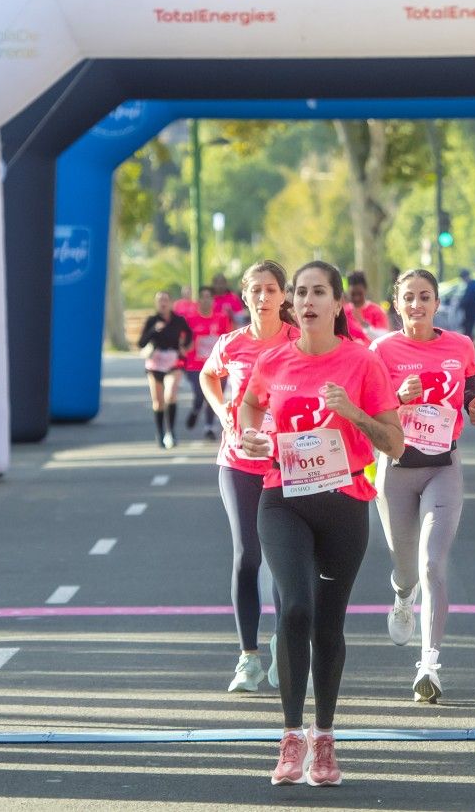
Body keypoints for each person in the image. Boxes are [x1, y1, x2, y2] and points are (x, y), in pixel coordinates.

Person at [239, 261, 404, 786]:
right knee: (295, 610)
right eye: (301, 292)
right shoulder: (273, 360)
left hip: (344, 499)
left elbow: (394, 443)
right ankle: (290, 736)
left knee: (329, 624)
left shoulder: (363, 363)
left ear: (337, 305)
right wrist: (253, 437)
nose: (307, 301)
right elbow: (248, 407)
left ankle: (325, 739)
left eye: (318, 293)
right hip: (283, 497)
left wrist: (354, 413)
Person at [369, 269, 475, 704]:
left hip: (443, 465)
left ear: (437, 303)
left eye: (425, 297)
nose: (416, 305)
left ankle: (429, 665)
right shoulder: (381, 350)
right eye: (408, 298)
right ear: (396, 305)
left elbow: (471, 385)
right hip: (396, 468)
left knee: (433, 563)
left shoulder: (460, 345)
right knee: (406, 567)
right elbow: (368, 409)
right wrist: (398, 394)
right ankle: (402, 595)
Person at [200, 261, 298, 693]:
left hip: (289, 463)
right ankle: (248, 658)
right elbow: (207, 375)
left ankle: (284, 649)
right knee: (247, 554)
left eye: (271, 289)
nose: (263, 297)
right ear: (245, 296)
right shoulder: (232, 343)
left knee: (282, 560)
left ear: (283, 296)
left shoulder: (299, 342)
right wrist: (222, 410)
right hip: (238, 461)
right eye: (255, 290)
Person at [137, 291, 193, 449]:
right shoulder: (152, 320)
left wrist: (184, 345)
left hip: (173, 361)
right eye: (159, 300)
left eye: (165, 300)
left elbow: (189, 333)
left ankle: (171, 432)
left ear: (170, 302)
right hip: (155, 363)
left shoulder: (178, 320)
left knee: (170, 396)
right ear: (156, 303)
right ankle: (160, 432)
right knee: (158, 401)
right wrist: (154, 330)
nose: (162, 303)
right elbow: (141, 343)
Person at [183, 286, 233, 439]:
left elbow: (229, 340)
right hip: (195, 365)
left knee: (215, 394)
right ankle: (196, 410)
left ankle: (209, 427)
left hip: (217, 366)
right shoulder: (190, 319)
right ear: (198, 300)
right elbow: (184, 340)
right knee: (200, 395)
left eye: (208, 297)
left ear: (213, 300)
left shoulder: (221, 318)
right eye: (202, 297)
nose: (205, 300)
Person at [344, 270, 391, 339]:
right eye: (353, 294)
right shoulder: (343, 312)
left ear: (365, 290)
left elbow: (384, 338)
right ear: (348, 291)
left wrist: (363, 324)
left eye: (359, 294)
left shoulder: (377, 311)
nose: (356, 298)